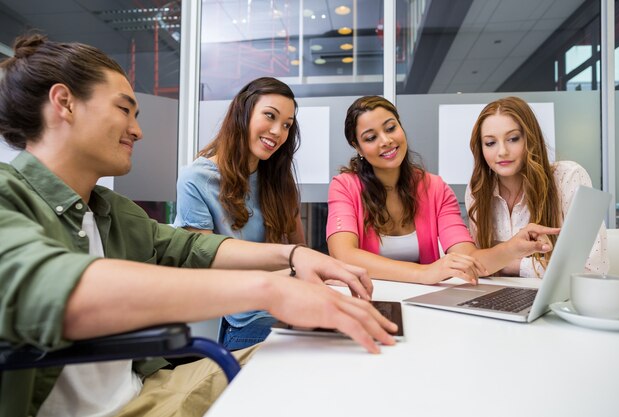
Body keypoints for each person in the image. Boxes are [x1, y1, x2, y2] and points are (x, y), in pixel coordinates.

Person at [0, 34, 397, 417]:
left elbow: (191, 247)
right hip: (130, 402)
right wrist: (273, 287)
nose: (137, 130)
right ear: (64, 103)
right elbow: (46, 286)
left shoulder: (112, 210)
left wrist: (294, 253)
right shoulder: (7, 194)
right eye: (124, 110)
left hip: (150, 388)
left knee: (327, 363)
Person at [326, 95, 559, 284]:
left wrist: (511, 249)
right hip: (366, 298)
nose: (385, 140)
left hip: (423, 301)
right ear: (357, 146)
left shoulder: (435, 188)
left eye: (391, 128)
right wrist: (424, 273)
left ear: (401, 128)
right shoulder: (344, 186)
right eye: (370, 137)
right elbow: (344, 255)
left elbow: (470, 258)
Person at [174, 77, 304, 350]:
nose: (278, 132)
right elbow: (206, 272)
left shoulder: (277, 179)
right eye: (270, 116)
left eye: (286, 125)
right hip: (242, 320)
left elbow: (299, 251)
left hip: (288, 303)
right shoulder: (196, 179)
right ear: (243, 113)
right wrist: (293, 273)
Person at [465, 96, 609, 277]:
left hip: (556, 300)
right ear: (481, 148)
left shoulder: (568, 177)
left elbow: (593, 268)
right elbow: (475, 264)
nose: (502, 151)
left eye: (513, 139)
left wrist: (509, 264)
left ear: (530, 139)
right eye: (490, 143)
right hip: (495, 295)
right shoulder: (477, 190)